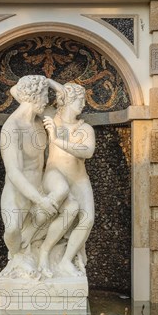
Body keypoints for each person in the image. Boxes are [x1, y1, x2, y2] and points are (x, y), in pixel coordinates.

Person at [0, 75, 62, 261]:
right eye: (44, 96)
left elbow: (66, 98)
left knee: (66, 201)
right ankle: (16, 256)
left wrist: (47, 82)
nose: (46, 102)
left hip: (40, 187)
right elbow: (13, 172)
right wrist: (40, 200)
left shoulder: (38, 120)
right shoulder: (11, 128)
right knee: (11, 230)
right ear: (34, 97)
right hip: (18, 193)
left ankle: (30, 251)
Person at [37, 82, 96, 277]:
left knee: (88, 219)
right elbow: (19, 92)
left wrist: (56, 140)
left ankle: (65, 261)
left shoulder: (85, 128)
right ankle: (44, 251)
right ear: (68, 100)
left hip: (79, 179)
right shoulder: (54, 118)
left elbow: (87, 152)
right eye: (80, 100)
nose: (84, 104)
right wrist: (54, 85)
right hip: (55, 174)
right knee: (70, 206)